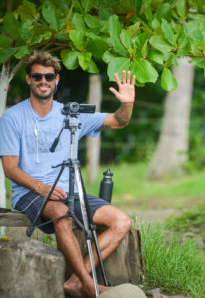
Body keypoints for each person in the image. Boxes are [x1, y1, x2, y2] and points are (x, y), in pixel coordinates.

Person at [0, 51, 136, 298]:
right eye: (37, 76)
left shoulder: (70, 114)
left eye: (48, 76)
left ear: (56, 80)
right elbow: (10, 169)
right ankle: (91, 286)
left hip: (69, 191)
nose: (43, 81)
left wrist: (126, 103)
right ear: (29, 79)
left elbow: (118, 121)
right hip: (29, 194)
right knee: (62, 213)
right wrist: (43, 188)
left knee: (122, 221)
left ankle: (76, 282)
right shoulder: (11, 118)